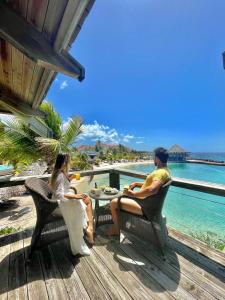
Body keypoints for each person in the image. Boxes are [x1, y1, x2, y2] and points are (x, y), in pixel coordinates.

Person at [107, 147, 171, 236]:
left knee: (113, 202)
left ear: (157, 158)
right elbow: (151, 186)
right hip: (150, 205)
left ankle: (116, 228)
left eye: (154, 157)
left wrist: (133, 194)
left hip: (146, 207)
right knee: (122, 196)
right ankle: (122, 222)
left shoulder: (160, 173)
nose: (153, 159)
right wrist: (137, 183)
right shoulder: (166, 171)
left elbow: (152, 189)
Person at [50, 153, 94, 256]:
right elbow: (59, 194)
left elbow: (60, 186)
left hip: (55, 202)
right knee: (87, 200)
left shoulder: (58, 172)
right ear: (64, 163)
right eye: (68, 161)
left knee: (86, 200)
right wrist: (75, 196)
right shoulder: (60, 175)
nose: (69, 163)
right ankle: (89, 228)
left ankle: (88, 227)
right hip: (58, 206)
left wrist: (70, 178)